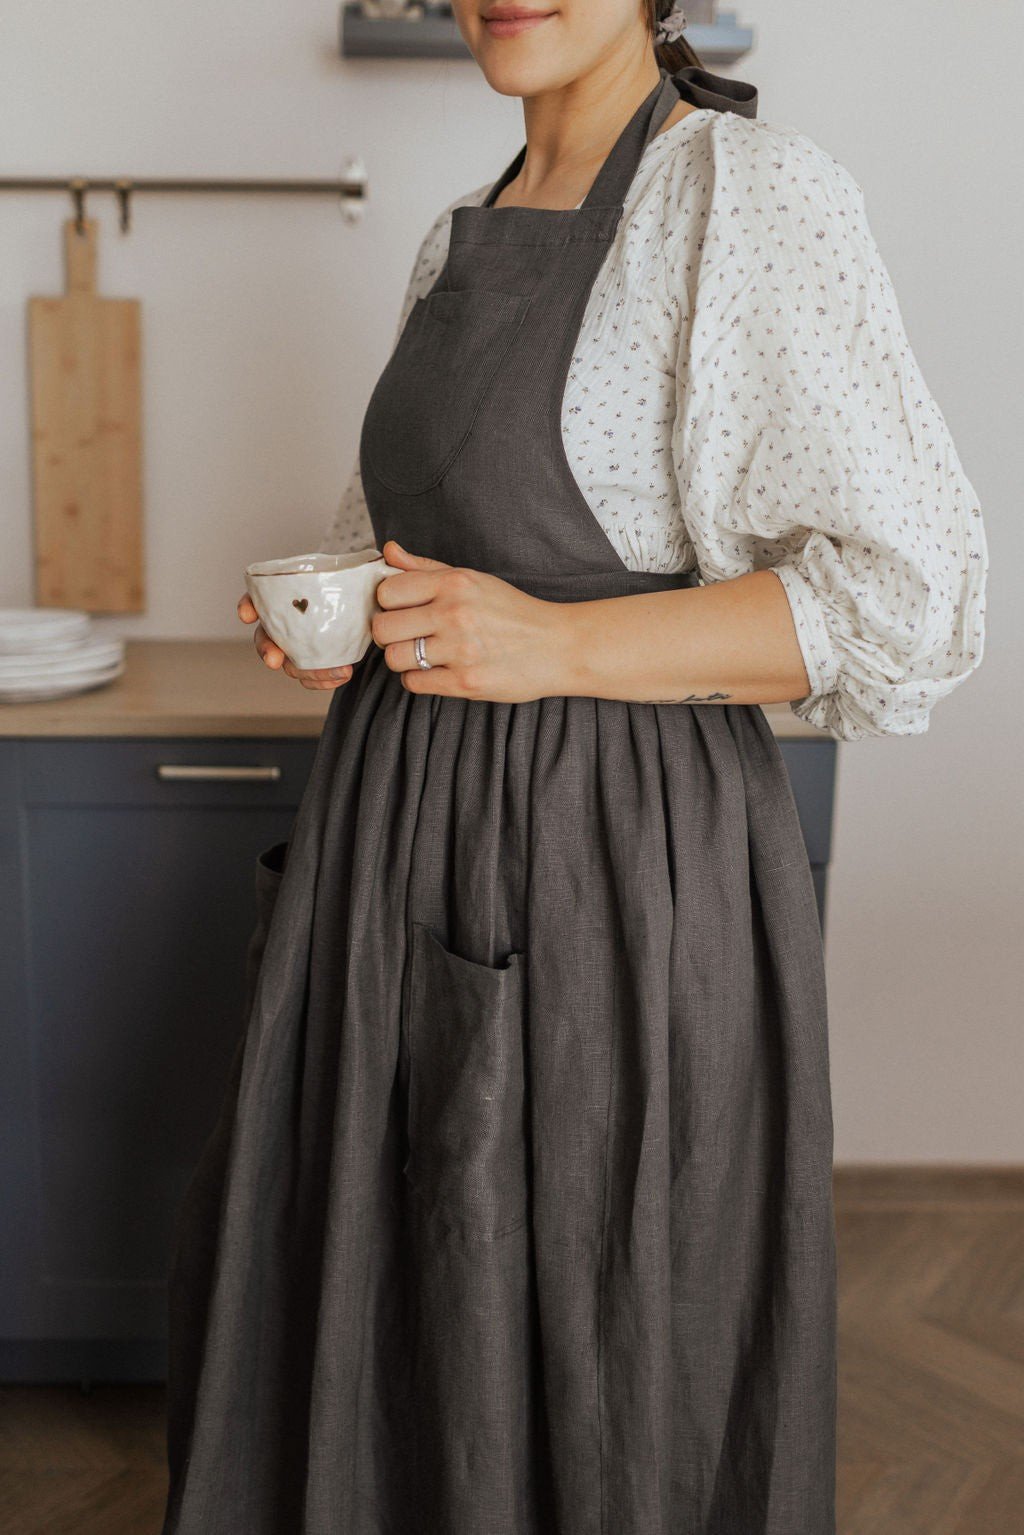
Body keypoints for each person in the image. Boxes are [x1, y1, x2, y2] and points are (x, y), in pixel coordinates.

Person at [161, 3, 988, 1532]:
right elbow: (418, 541)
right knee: (402, 1289)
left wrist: (557, 649)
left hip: (612, 858)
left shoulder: (745, 195)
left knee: (597, 1321)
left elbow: (910, 601)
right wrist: (344, 617)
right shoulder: (458, 230)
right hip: (396, 833)